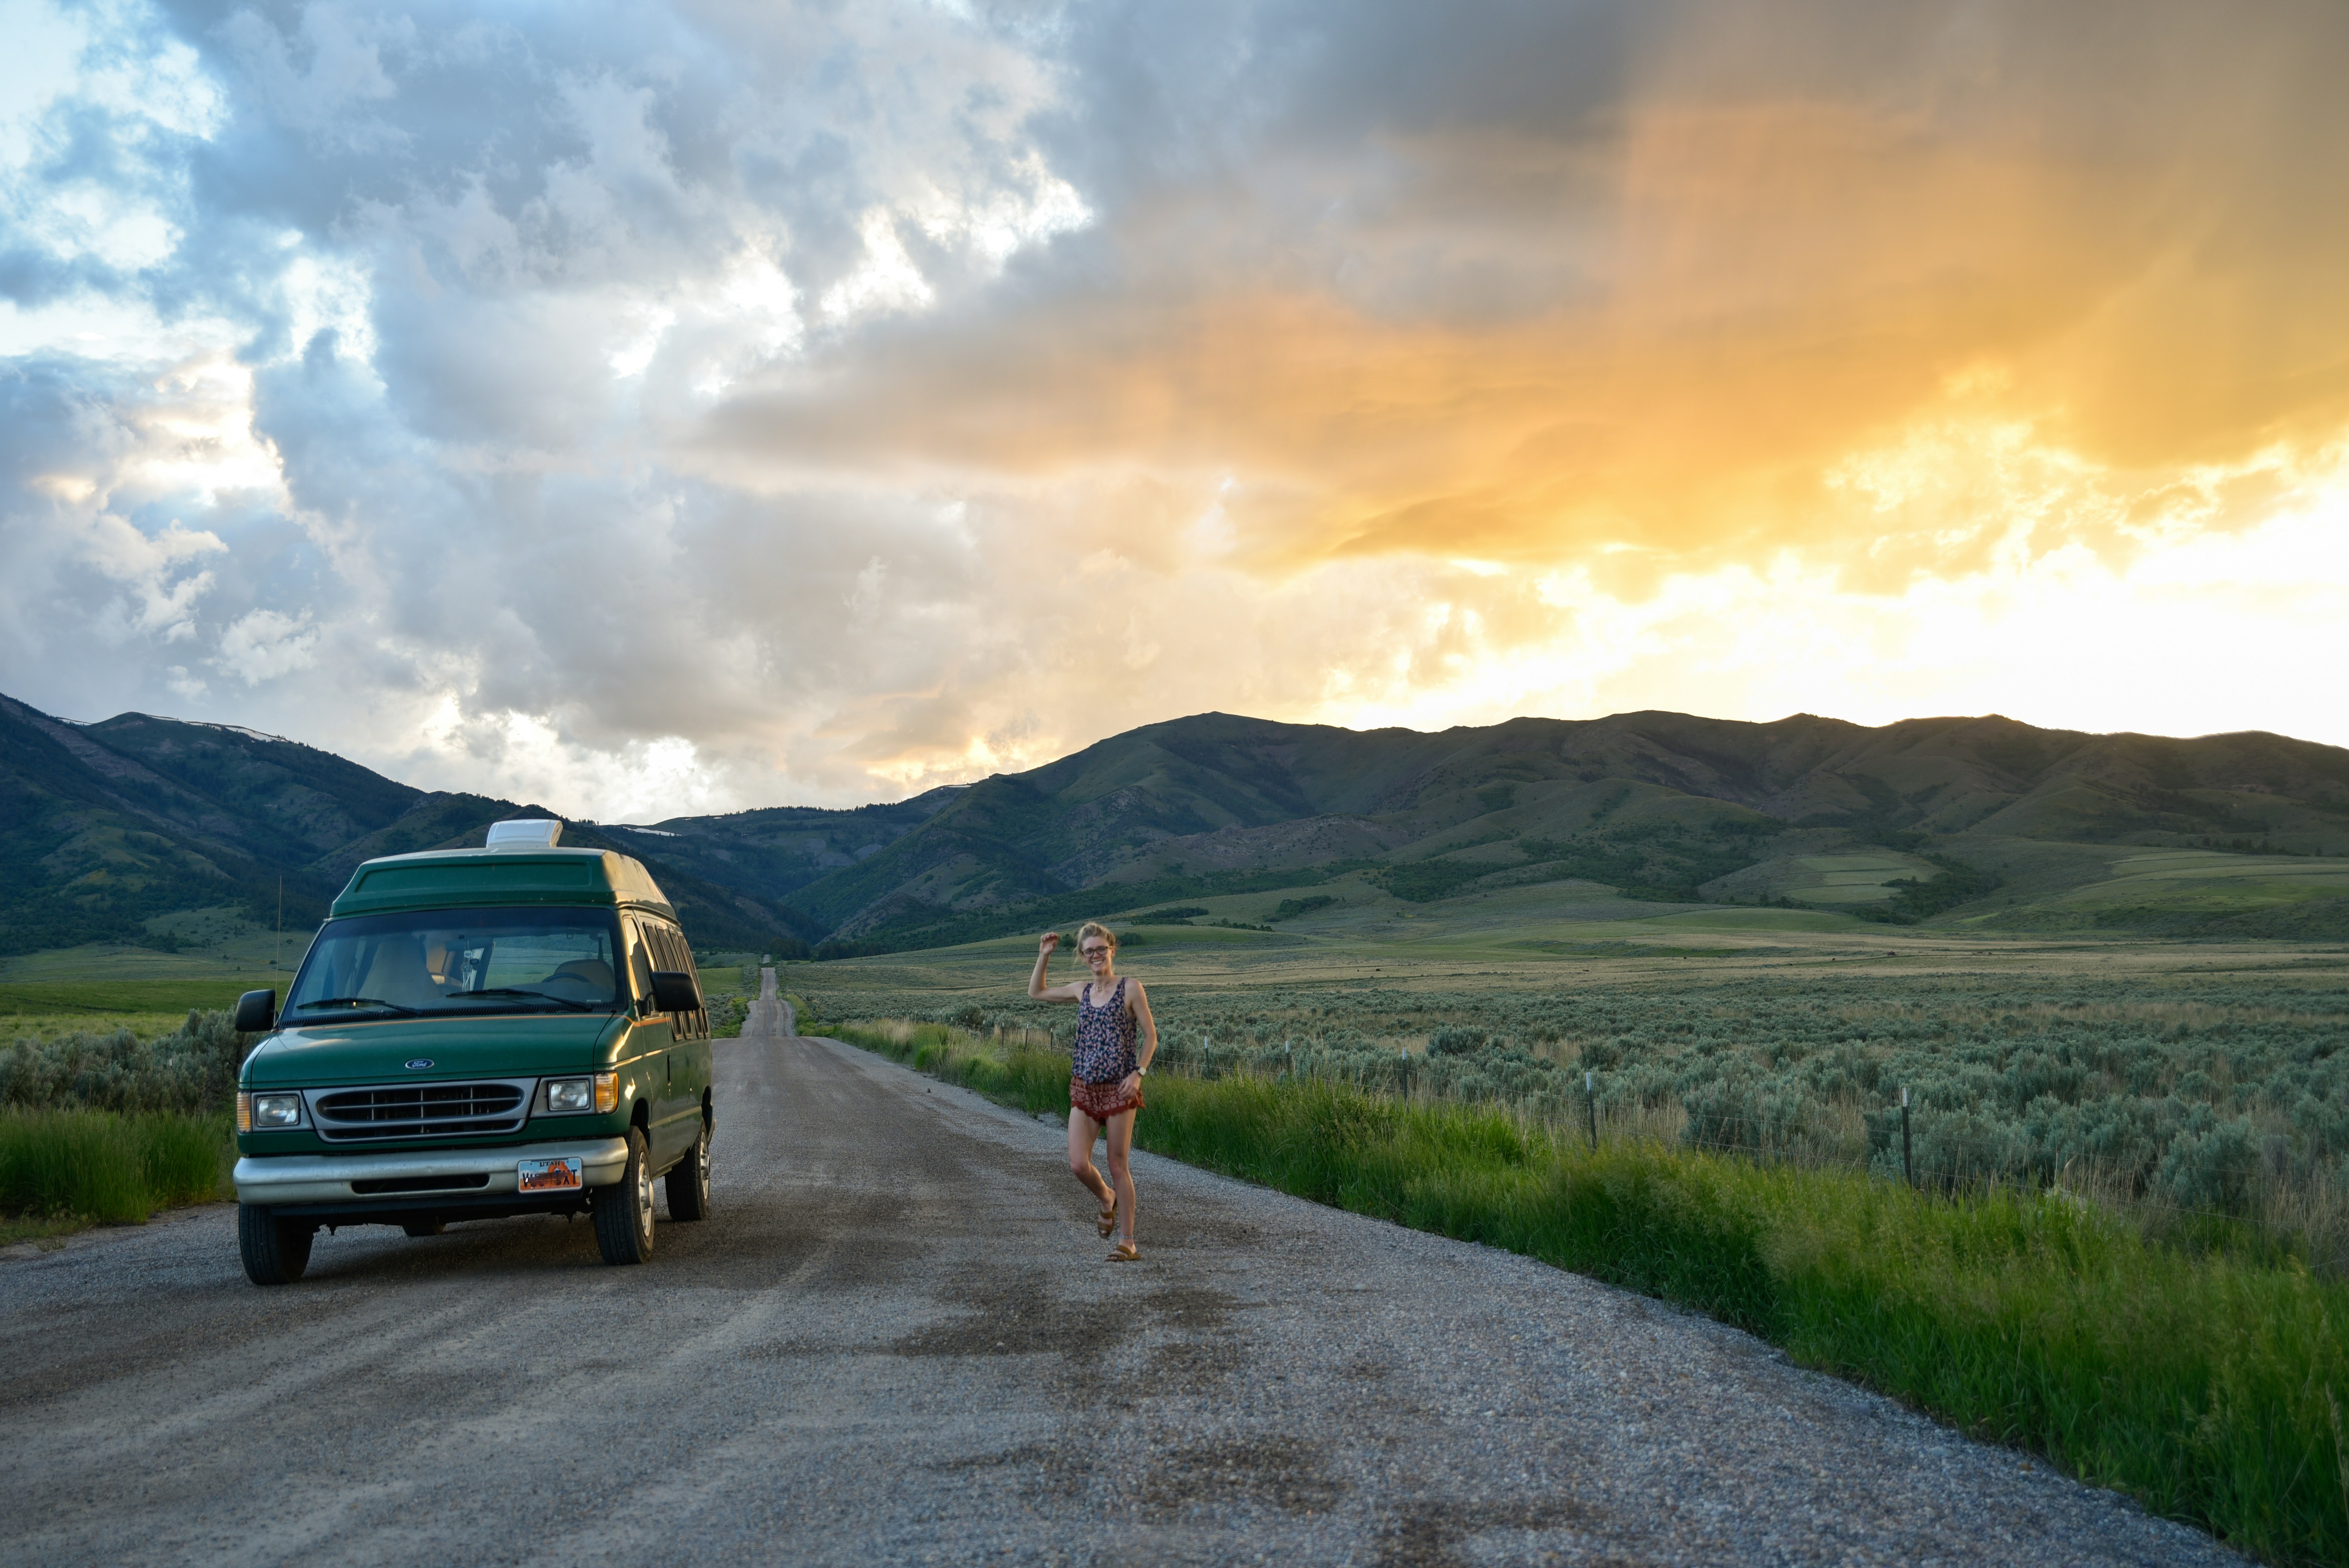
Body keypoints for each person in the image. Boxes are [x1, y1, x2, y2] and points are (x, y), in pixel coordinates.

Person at [1028, 923, 1157, 1262]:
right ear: (1083, 957)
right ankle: (1106, 1198)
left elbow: (1151, 1037)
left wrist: (1139, 1074)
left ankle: (1127, 1242)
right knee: (1077, 1164)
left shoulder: (1130, 988)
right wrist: (1044, 956)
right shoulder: (1081, 990)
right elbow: (1037, 993)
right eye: (1090, 951)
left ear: (1112, 950)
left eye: (1102, 949)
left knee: (1118, 1164)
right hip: (1084, 1087)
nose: (1096, 955)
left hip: (1119, 1089)